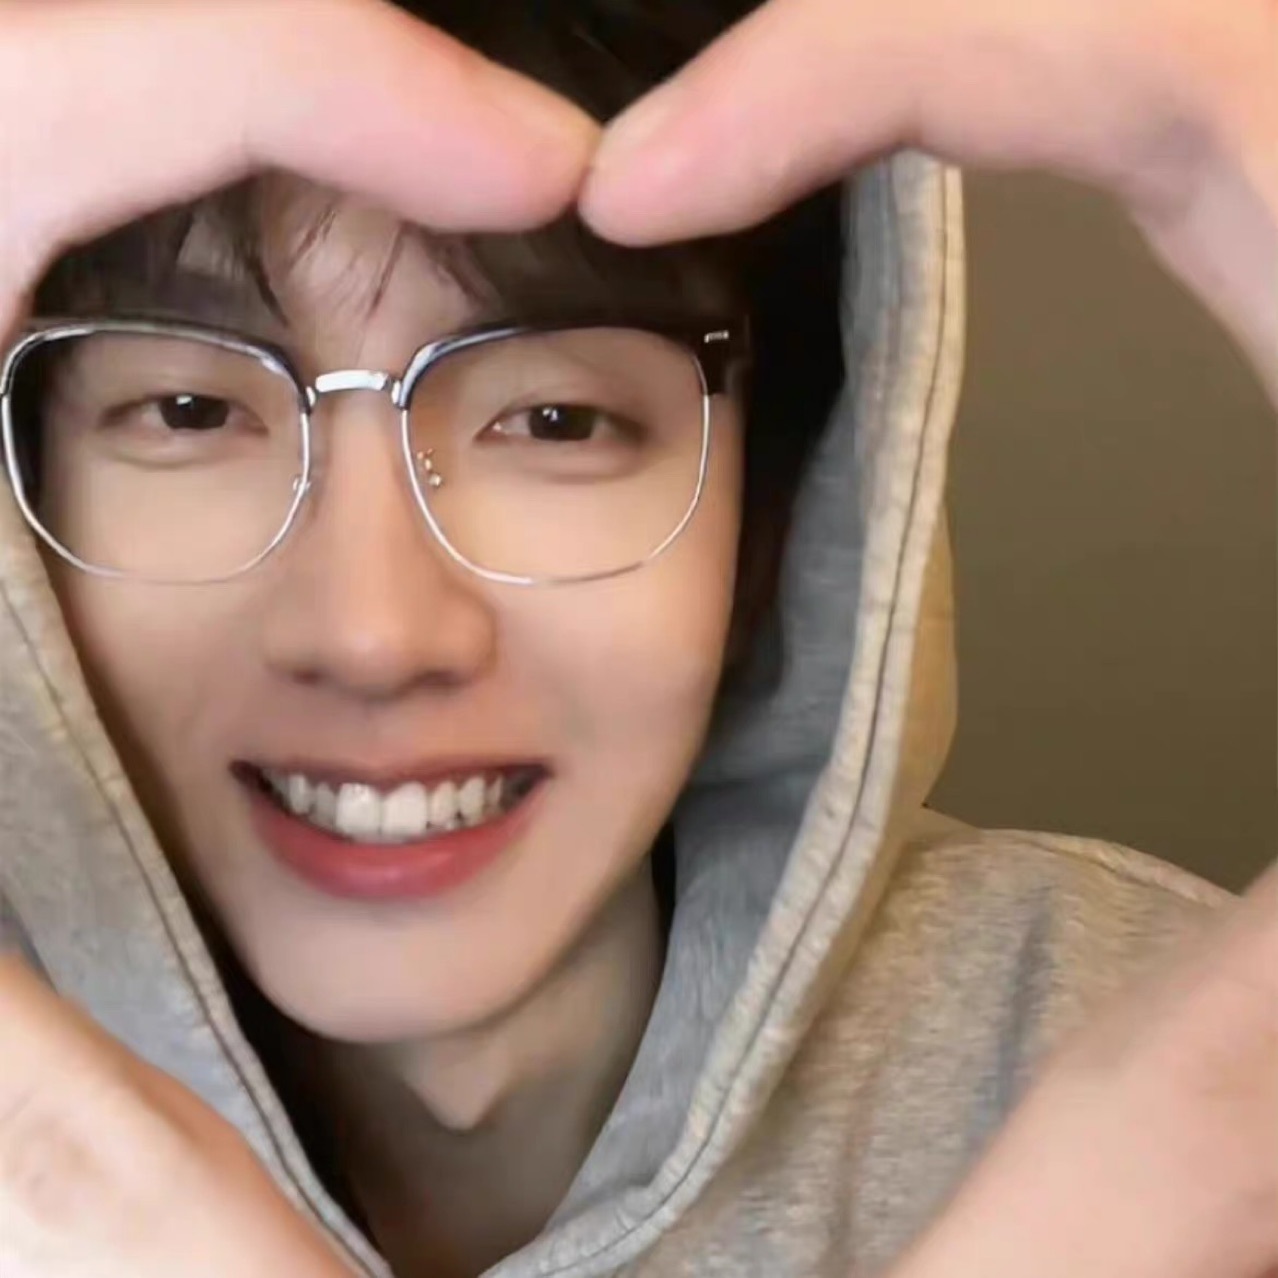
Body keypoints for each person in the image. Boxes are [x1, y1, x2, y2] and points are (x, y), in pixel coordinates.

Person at [0, 4, 1272, 1278]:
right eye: (189, 409)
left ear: (774, 529)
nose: (372, 633)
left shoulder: (1161, 1053)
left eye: (556, 421)